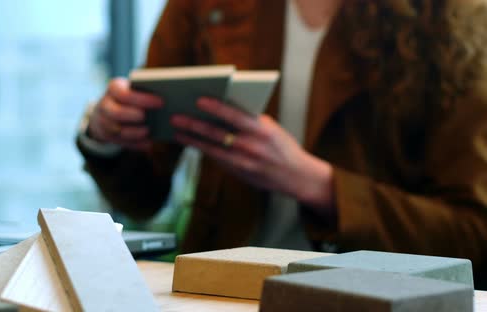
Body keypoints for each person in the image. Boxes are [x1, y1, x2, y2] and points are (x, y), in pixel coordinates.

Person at [77, 0, 487, 281]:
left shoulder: (454, 17)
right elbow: (141, 197)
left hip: (375, 292)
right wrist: (107, 135)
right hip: (221, 285)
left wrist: (318, 185)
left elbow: (472, 234)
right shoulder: (207, 7)